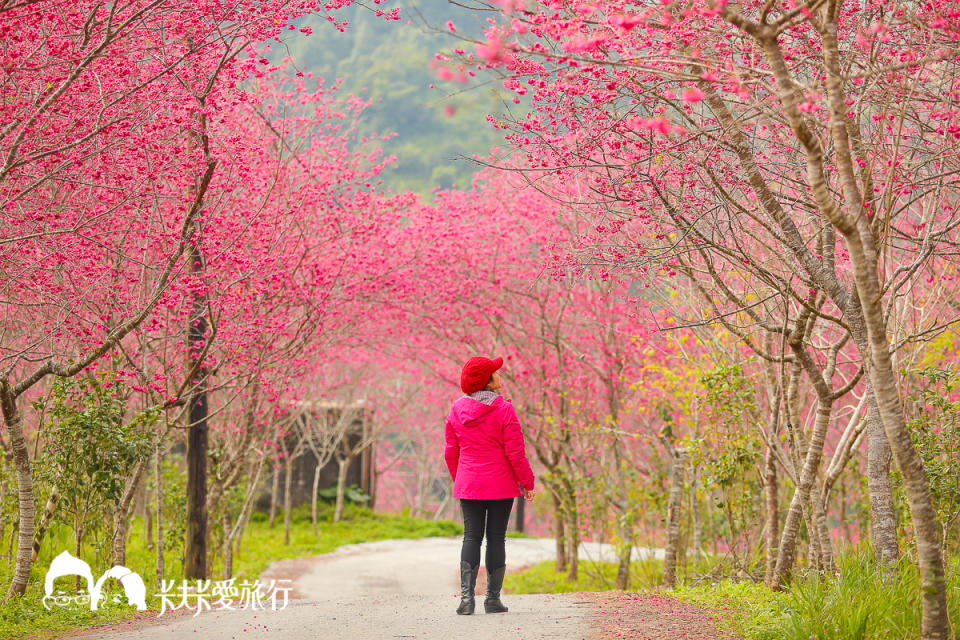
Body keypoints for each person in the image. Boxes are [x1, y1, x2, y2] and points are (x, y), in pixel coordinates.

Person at [444, 356, 536, 615]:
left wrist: (461, 479)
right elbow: (515, 452)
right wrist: (527, 482)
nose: (499, 375)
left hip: (469, 483)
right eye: (495, 372)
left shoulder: (456, 410)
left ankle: (466, 601)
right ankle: (492, 600)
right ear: (488, 381)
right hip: (501, 486)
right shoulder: (504, 410)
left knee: (471, 536)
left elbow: (451, 452)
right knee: (496, 538)